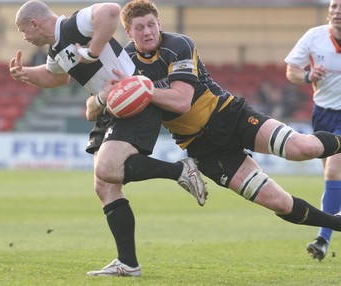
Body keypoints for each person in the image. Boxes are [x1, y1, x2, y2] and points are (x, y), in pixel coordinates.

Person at [86, 0, 341, 275]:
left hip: (230, 117)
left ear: (159, 24)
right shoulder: (124, 63)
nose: (147, 32)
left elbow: (182, 101)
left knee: (301, 148)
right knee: (278, 202)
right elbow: (92, 109)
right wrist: (102, 98)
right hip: (203, 149)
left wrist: (141, 88)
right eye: (139, 27)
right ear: (127, 30)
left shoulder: (178, 44)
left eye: (151, 25)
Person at [10, 0, 207, 277]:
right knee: (105, 186)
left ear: (35, 23)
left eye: (23, 31)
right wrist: (25, 75)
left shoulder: (72, 25)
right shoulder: (56, 49)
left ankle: (180, 169)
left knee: (107, 168)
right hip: (109, 105)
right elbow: (55, 77)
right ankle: (128, 263)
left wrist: (92, 51)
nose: (25, 38)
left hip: (132, 98)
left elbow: (112, 10)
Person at [284, 0, 341, 261]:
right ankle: (325, 239)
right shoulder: (314, 36)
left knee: (333, 170)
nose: (336, 12)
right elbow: (292, 71)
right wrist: (307, 76)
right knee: (331, 179)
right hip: (322, 115)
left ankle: (322, 239)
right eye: (333, 7)